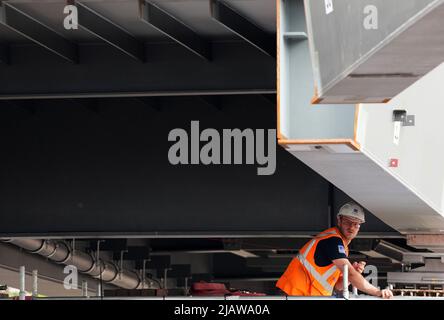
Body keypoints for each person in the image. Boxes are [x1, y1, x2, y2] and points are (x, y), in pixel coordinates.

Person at [276, 202, 393, 299]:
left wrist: (351, 276)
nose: (351, 227)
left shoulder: (341, 246)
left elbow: (337, 287)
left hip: (306, 296)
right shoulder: (332, 240)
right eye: (348, 222)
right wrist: (376, 292)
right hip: (294, 294)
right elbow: (351, 275)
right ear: (339, 220)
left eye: (356, 224)